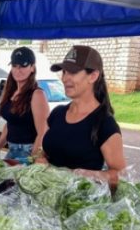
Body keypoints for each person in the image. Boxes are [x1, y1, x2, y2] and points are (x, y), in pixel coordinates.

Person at [38, 45, 126, 186]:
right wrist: (41, 158)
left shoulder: (105, 123)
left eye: (72, 72)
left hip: (77, 203)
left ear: (93, 76)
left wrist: (86, 175)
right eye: (64, 72)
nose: (65, 78)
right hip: (46, 197)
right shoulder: (57, 114)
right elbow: (49, 151)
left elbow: (121, 176)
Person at [0, 46, 49, 161]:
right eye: (15, 66)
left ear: (32, 68)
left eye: (23, 65)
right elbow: (10, 124)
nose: (18, 70)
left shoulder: (37, 94)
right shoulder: (10, 92)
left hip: (28, 152)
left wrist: (32, 160)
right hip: (11, 150)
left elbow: (42, 133)